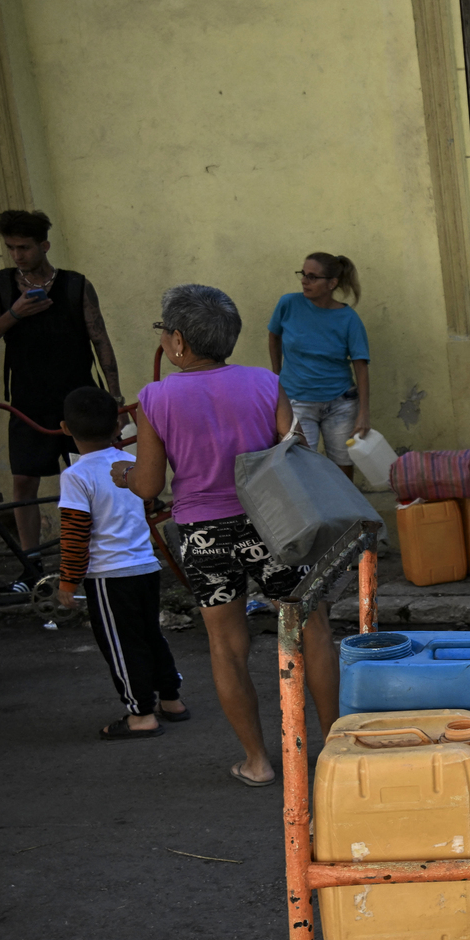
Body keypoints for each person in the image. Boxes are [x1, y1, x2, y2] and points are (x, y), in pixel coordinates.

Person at [119, 284, 338, 788]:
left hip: (203, 534)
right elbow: (295, 449)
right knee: (313, 631)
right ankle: (331, 749)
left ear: (177, 341)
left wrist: (125, 476)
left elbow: (150, 485)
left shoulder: (155, 398)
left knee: (227, 644)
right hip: (273, 523)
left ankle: (258, 762)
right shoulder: (266, 382)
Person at [0, 209, 121, 574]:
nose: (18, 255)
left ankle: (102, 558)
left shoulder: (75, 284)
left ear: (44, 245)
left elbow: (100, 339)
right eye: (11, 248)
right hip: (27, 400)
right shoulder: (0, 285)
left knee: (95, 478)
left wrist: (115, 395)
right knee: (24, 482)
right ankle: (31, 564)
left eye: (24, 247)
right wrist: (16, 313)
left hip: (77, 399)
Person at [52, 386, 189, 738]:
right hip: (146, 566)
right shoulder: (130, 465)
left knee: (121, 643)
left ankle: (140, 714)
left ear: (66, 428)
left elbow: (75, 533)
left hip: (109, 575)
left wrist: (68, 580)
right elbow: (145, 509)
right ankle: (171, 699)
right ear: (117, 426)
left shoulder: (75, 476)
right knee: (150, 635)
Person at [267, 253, 371, 478]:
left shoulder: (348, 319)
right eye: (303, 274)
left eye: (313, 277)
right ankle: (313, 515)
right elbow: (274, 336)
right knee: (303, 469)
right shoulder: (288, 304)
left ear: (332, 283)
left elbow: (361, 365)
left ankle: (345, 512)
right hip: (298, 402)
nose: (305, 281)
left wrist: (364, 413)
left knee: (342, 466)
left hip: (341, 404)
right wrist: (277, 376)